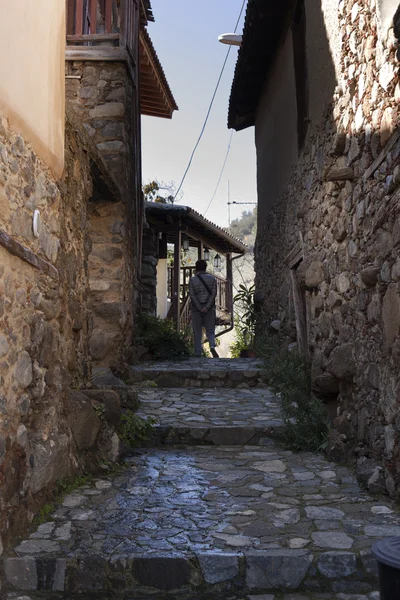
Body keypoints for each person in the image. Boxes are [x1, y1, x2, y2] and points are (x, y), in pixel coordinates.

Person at [189, 260, 219, 358]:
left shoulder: (192, 280)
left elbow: (192, 295)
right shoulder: (212, 279)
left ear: (196, 267)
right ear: (205, 267)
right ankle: (212, 346)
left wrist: (199, 307)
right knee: (210, 329)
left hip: (196, 309)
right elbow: (214, 294)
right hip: (209, 308)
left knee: (197, 331)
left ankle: (198, 352)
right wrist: (207, 307)